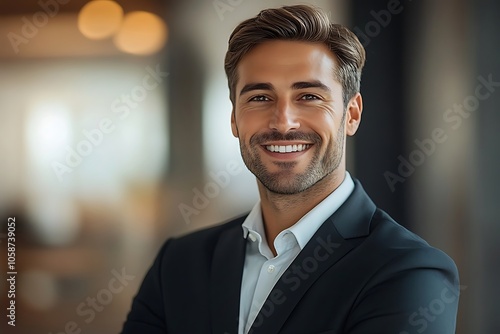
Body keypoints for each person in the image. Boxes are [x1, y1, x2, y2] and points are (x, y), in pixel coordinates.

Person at [122, 5, 460, 334]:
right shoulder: (180, 264)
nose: (283, 122)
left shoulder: (408, 272)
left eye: (309, 96)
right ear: (234, 118)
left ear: (352, 114)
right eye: (259, 98)